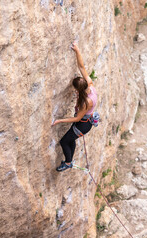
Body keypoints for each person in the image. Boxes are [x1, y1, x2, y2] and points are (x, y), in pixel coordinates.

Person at [52, 42, 97, 172]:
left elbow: (77, 119)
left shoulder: (86, 103)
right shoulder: (90, 86)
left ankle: (68, 163)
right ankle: (69, 160)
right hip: (83, 122)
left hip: (83, 124)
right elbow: (82, 67)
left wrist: (59, 121)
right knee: (70, 139)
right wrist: (77, 50)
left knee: (64, 142)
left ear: (78, 90)